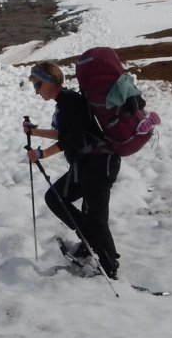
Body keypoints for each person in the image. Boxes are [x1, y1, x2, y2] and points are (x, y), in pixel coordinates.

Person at [24, 61, 121, 279]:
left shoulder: (69, 101)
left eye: (38, 85)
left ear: (49, 81)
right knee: (83, 210)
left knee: (89, 214)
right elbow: (66, 133)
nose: (36, 91)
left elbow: (72, 138)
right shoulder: (66, 100)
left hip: (97, 165)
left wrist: (41, 155)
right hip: (92, 164)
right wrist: (36, 131)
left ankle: (109, 266)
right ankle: (90, 246)